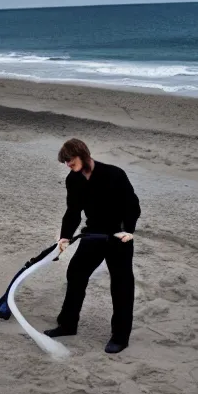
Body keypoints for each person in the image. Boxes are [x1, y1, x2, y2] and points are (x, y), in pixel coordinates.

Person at [44, 138, 141, 354]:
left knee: (122, 285)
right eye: (66, 162)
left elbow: (132, 205)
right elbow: (72, 211)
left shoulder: (114, 174)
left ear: (83, 154)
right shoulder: (74, 180)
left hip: (118, 236)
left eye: (70, 160)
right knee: (76, 273)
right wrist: (65, 237)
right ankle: (67, 325)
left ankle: (120, 337)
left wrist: (128, 230)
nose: (68, 164)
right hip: (93, 234)